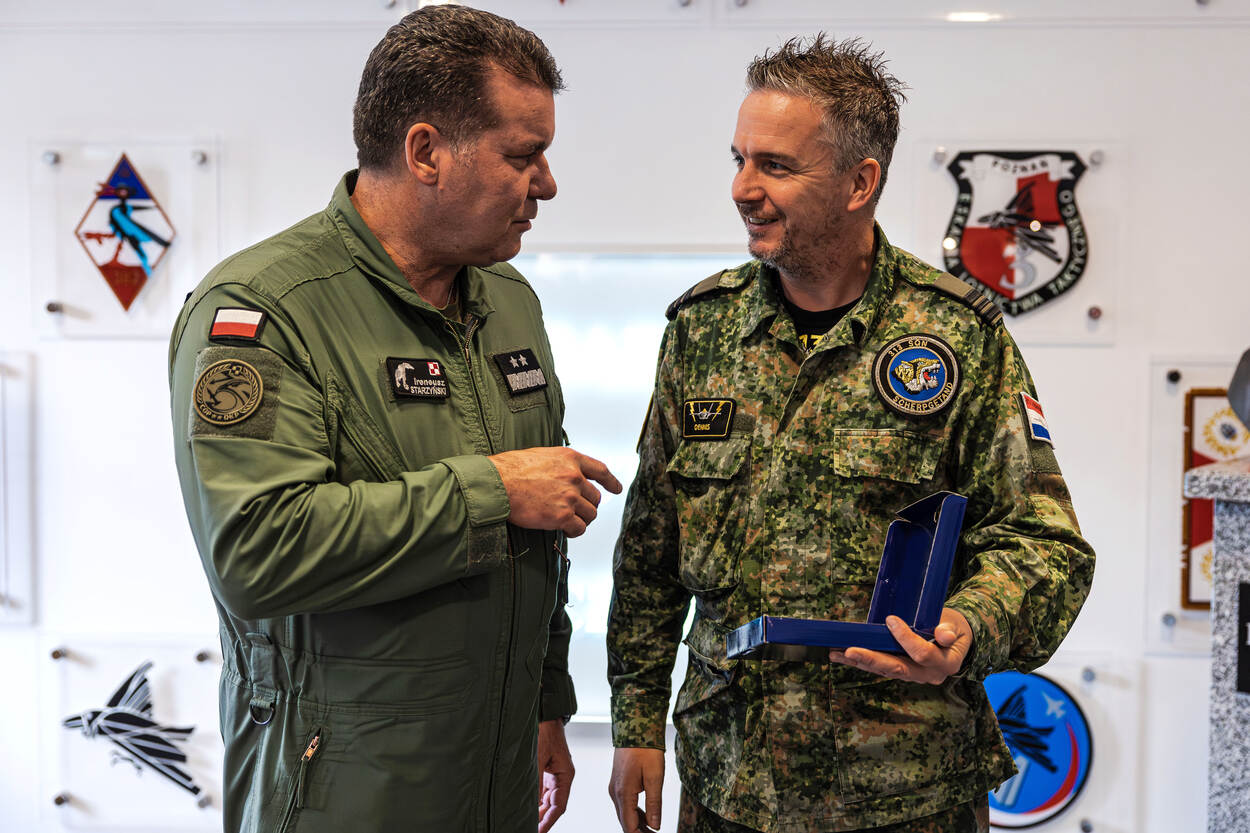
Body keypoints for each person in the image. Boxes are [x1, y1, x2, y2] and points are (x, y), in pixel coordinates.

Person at [606, 35, 1095, 833]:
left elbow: (1045, 545)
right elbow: (649, 553)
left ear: (859, 182)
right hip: (728, 779)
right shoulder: (702, 330)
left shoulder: (956, 335)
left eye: (775, 165)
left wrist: (968, 625)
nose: (743, 188)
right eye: (739, 159)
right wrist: (635, 723)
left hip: (905, 790)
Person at [168, 7, 621, 832]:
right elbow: (255, 549)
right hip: (343, 793)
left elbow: (540, 540)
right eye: (522, 155)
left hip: (496, 780)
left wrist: (546, 701)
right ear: (425, 153)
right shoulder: (265, 311)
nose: (546, 183)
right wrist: (491, 492)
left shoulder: (509, 301)